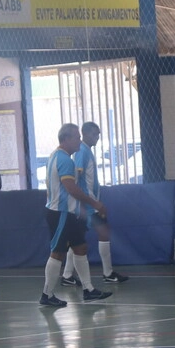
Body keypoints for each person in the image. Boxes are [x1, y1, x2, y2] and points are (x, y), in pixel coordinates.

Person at [39, 123, 113, 307]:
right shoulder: (65, 160)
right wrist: (94, 203)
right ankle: (46, 294)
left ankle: (88, 290)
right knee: (57, 253)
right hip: (61, 213)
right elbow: (71, 188)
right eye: (77, 137)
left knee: (80, 248)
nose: (80, 140)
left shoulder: (57, 157)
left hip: (68, 213)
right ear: (66, 139)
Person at [60, 121, 128, 287]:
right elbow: (76, 177)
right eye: (95, 134)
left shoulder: (86, 151)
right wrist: (90, 202)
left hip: (88, 203)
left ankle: (67, 275)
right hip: (88, 205)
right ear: (85, 134)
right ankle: (107, 273)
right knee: (103, 232)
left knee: (77, 239)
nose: (97, 138)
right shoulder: (82, 152)